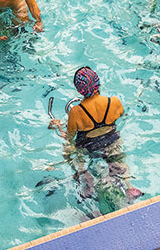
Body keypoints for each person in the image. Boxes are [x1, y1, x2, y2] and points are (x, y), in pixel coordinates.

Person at [48, 67, 142, 203]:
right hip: (112, 140)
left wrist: (58, 126)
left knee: (70, 151)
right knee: (118, 160)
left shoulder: (76, 112)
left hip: (89, 147)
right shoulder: (114, 102)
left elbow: (69, 137)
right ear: (98, 83)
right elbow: (122, 116)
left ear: (79, 90)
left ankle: (85, 180)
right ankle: (129, 186)